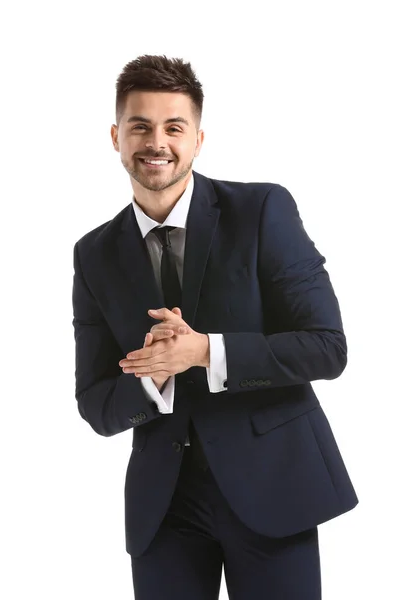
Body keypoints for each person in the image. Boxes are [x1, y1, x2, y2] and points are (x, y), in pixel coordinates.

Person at [72, 54, 359, 600]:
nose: (156, 141)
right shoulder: (94, 254)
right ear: (115, 136)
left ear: (198, 139)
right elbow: (94, 402)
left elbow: (327, 348)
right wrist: (153, 376)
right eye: (140, 125)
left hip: (273, 490)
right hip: (165, 510)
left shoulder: (262, 210)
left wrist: (205, 352)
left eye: (173, 127)